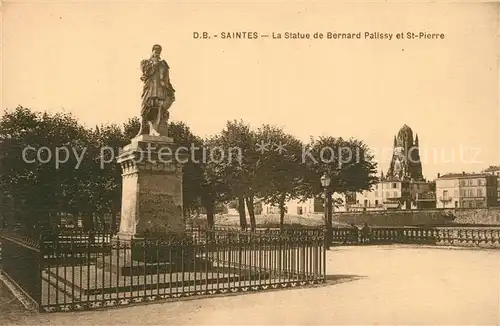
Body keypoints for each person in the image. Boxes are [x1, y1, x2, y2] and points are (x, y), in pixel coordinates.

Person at [137, 44, 176, 136]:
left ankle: (154, 130)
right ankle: (142, 129)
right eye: (156, 51)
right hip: (150, 88)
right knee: (145, 108)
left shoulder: (163, 64)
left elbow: (167, 79)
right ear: (152, 51)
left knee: (158, 108)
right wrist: (154, 63)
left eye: (159, 51)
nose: (157, 53)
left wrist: (170, 90)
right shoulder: (146, 62)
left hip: (159, 89)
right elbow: (146, 72)